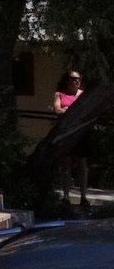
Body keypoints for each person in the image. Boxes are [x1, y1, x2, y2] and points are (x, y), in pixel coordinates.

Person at [54, 71, 89, 206]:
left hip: (81, 133)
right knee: (66, 165)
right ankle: (66, 196)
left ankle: (84, 197)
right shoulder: (59, 94)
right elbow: (57, 109)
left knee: (83, 165)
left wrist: (69, 110)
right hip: (66, 133)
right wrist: (68, 110)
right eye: (73, 79)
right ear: (67, 81)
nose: (76, 81)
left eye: (78, 79)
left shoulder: (83, 95)